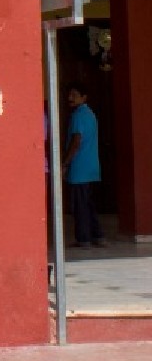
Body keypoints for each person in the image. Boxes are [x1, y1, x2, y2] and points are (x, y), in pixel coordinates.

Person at [64, 82, 105, 247]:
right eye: (70, 94)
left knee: (79, 205)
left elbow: (76, 141)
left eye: (74, 95)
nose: (70, 98)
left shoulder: (78, 116)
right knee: (88, 203)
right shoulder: (90, 114)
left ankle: (83, 238)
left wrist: (65, 163)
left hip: (79, 168)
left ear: (84, 97)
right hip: (91, 167)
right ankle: (97, 235)